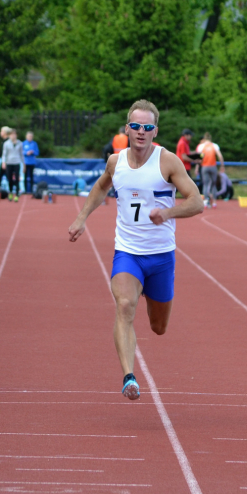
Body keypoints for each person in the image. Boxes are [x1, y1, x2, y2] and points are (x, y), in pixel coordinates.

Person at [68, 99, 203, 401]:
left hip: (161, 256)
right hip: (127, 251)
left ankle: (151, 299)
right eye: (136, 126)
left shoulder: (167, 161)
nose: (141, 132)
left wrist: (167, 213)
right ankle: (129, 375)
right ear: (127, 128)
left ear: (156, 131)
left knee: (158, 327)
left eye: (148, 127)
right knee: (125, 305)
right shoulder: (116, 162)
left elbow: (197, 202)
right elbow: (102, 186)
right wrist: (81, 218)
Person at [197, 133, 224, 209]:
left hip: (205, 167)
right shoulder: (214, 146)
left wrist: (198, 165)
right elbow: (220, 156)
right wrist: (222, 165)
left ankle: (206, 201)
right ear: (211, 138)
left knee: (205, 184)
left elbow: (200, 157)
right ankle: (214, 202)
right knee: (214, 184)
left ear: (205, 138)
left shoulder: (201, 146)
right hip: (213, 166)